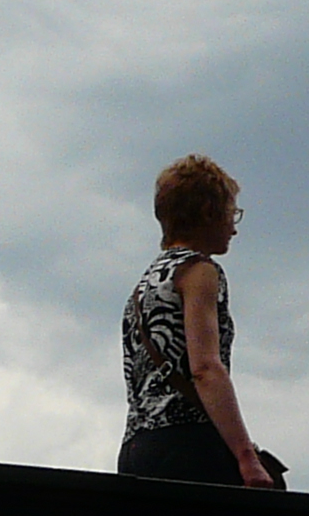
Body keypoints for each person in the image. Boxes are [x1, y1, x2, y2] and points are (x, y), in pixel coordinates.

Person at [118, 155, 275, 487]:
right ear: (208, 212)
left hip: (138, 448)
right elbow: (204, 369)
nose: (233, 227)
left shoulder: (146, 284)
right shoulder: (199, 272)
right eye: (232, 214)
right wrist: (248, 458)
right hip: (188, 447)